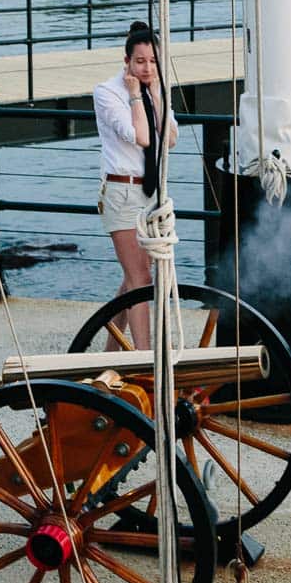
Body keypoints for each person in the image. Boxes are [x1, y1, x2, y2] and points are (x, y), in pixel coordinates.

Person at [92, 22, 178, 349]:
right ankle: (144, 356)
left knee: (135, 278)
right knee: (140, 279)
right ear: (126, 60)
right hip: (122, 191)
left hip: (151, 192)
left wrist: (155, 95)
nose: (147, 68)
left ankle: (111, 350)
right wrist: (134, 97)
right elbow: (142, 137)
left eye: (153, 61)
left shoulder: (157, 89)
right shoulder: (108, 92)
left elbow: (168, 139)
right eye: (140, 61)